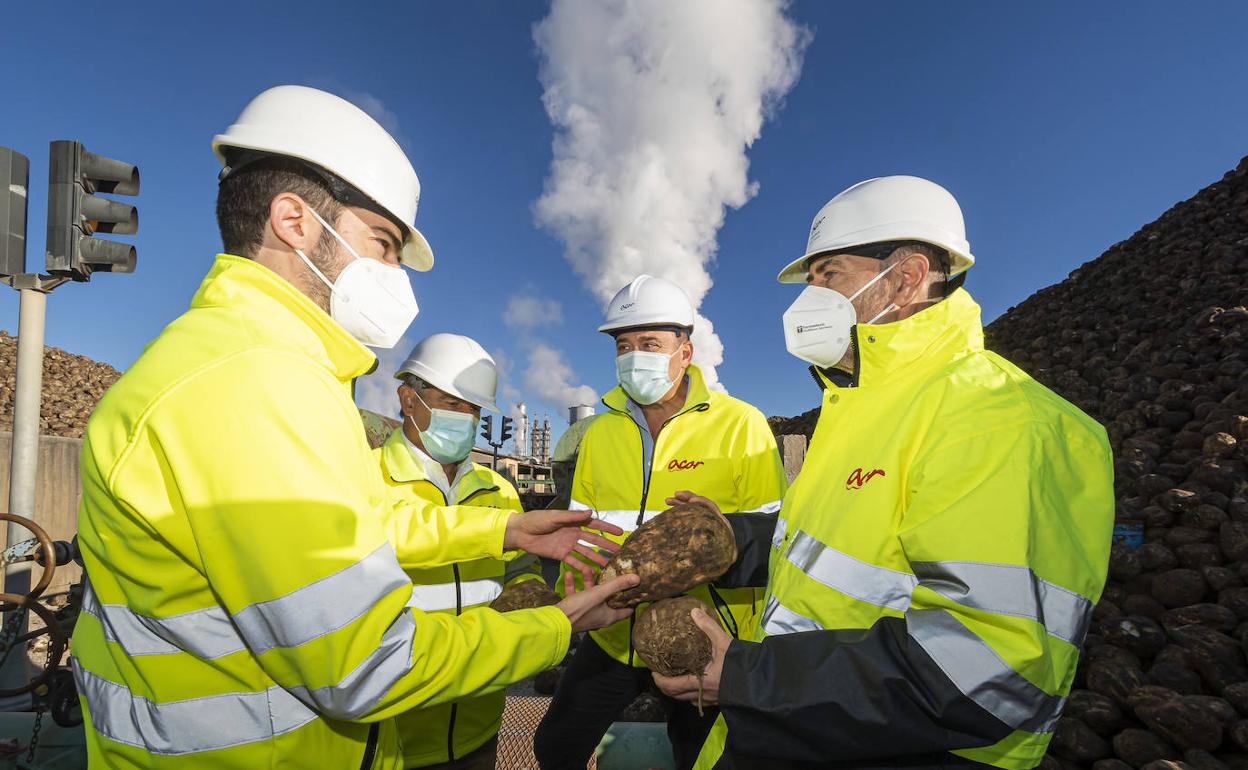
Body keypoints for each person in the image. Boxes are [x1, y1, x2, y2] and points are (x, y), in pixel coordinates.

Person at [71, 85, 636, 770]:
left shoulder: (237, 363)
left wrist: (508, 529)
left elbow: (362, 528)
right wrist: (557, 624)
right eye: (385, 243)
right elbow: (368, 665)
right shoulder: (256, 383)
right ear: (294, 221)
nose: (396, 275)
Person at [653, 176, 1114, 770]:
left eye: (829, 275)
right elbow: (837, 547)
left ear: (906, 278)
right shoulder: (861, 407)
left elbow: (988, 669)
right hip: (807, 730)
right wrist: (730, 541)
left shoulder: (999, 419)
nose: (806, 300)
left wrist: (746, 677)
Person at [535, 275, 788, 770]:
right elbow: (585, 531)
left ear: (686, 351)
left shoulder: (741, 425)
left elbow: (775, 540)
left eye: (650, 344)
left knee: (696, 756)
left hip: (701, 633)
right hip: (613, 631)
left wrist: (720, 540)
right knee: (556, 745)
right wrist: (576, 603)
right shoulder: (601, 433)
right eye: (624, 345)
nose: (634, 356)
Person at [378, 333, 549, 770]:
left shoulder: (500, 490)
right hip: (393, 733)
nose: (464, 417)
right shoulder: (367, 479)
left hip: (479, 725)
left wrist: (530, 597)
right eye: (451, 403)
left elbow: (522, 568)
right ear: (407, 399)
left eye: (472, 408)